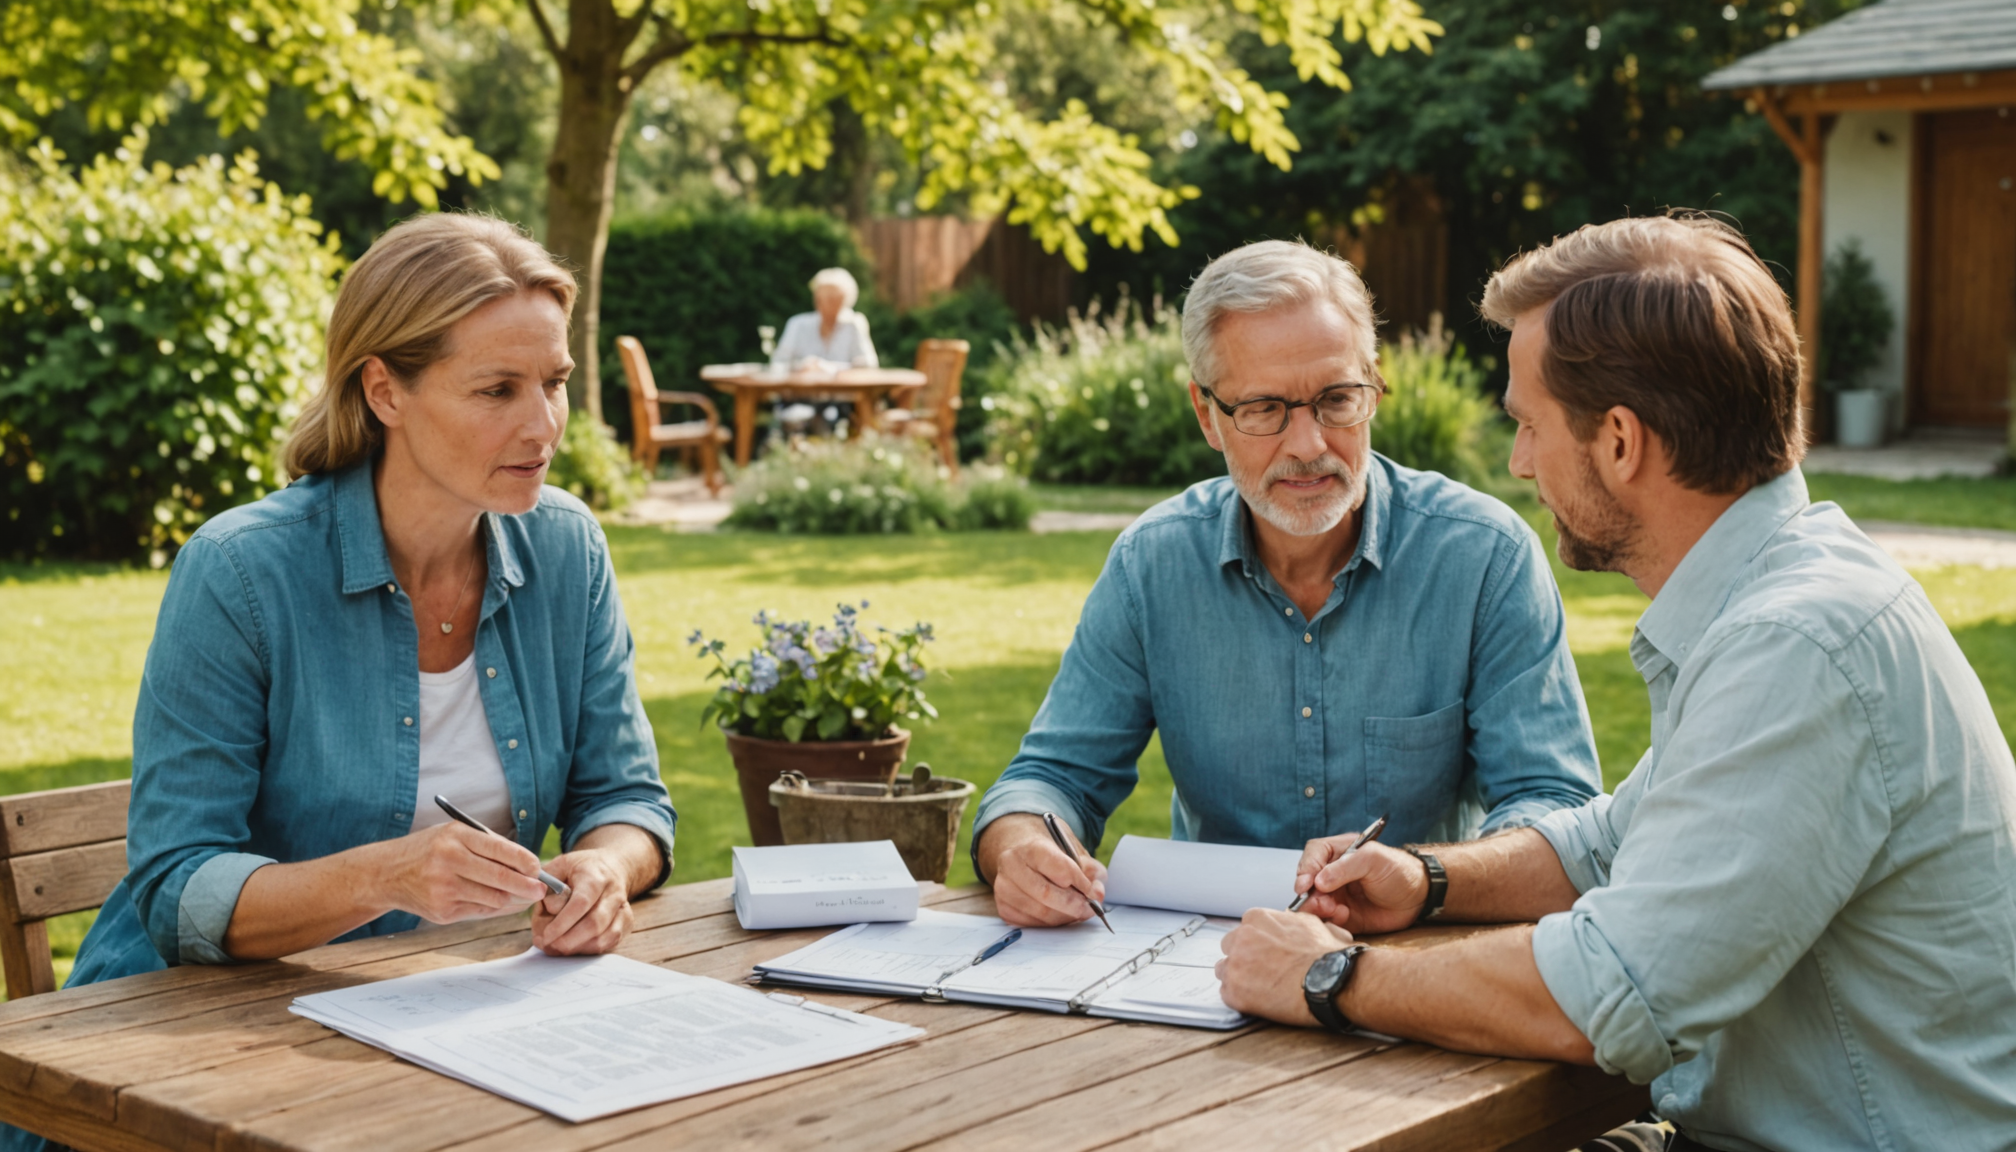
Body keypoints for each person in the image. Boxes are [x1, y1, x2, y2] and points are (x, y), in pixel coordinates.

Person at [1215, 215, 2016, 1151]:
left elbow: (1609, 997)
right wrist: (1426, 879)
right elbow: (1609, 844)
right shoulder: (1776, 588)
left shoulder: (1795, 643)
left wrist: (1328, 977)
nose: (1518, 462)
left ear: (1623, 442)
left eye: (1528, 425)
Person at [66, 213, 677, 990]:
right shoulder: (240, 571)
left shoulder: (565, 546)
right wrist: (386, 876)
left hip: (438, 1003)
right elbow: (178, 886)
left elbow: (625, 796)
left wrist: (604, 867)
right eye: (497, 390)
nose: (543, 425)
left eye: (553, 383)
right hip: (192, 1026)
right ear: (384, 389)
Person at [972, 240, 1602, 928]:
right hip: (1207, 970)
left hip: (1417, 960)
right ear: (1207, 414)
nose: (1308, 445)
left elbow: (1558, 812)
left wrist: (1425, 876)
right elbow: (1053, 777)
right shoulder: (1151, 565)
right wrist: (1022, 847)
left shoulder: (1483, 556)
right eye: (1266, 409)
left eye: (1336, 400)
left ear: (1375, 386)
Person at [770, 267, 878, 371]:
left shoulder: (854, 324)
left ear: (845, 300)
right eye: (820, 298)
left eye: (832, 298)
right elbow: (779, 362)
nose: (824, 304)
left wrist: (829, 368)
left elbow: (869, 365)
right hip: (804, 389)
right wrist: (802, 366)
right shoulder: (797, 324)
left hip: (842, 389)